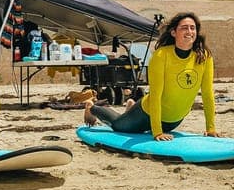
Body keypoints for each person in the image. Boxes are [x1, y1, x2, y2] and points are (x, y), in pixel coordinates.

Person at [85, 12, 220, 141]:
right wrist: (157, 132)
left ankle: (130, 107)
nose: (189, 32)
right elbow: (156, 94)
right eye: (184, 28)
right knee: (118, 126)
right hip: (147, 113)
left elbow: (207, 93)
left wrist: (210, 128)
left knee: (132, 127)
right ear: (173, 32)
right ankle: (92, 107)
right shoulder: (162, 55)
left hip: (174, 120)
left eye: (193, 28)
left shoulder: (204, 57)